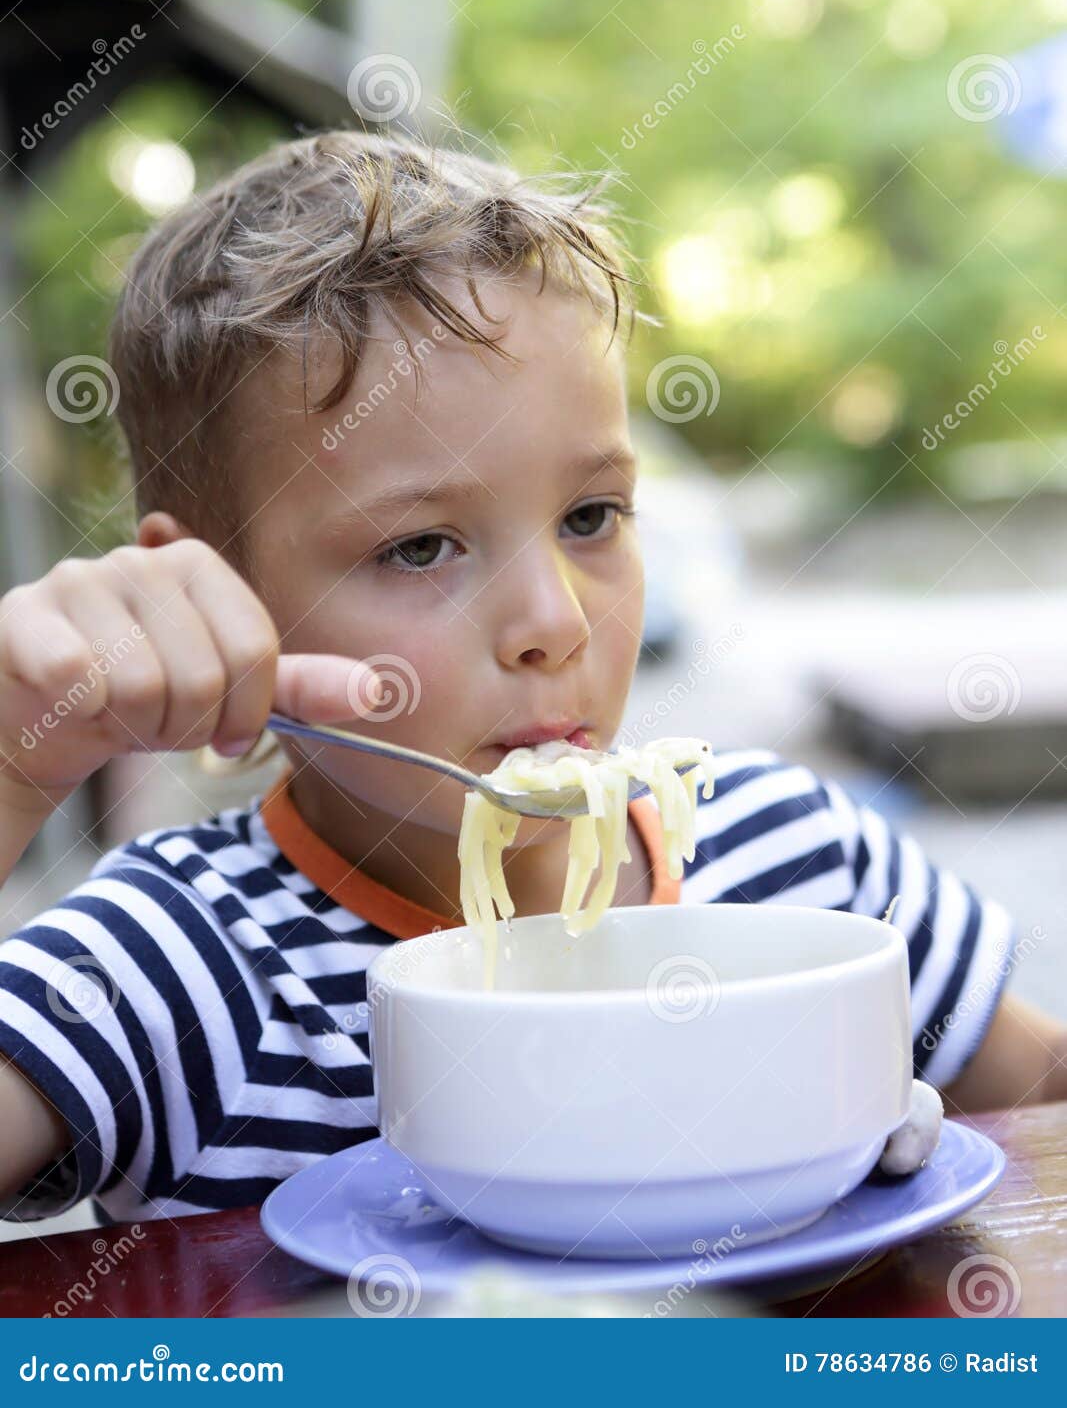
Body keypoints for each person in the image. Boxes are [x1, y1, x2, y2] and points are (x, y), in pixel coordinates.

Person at [0, 129, 1061, 1229]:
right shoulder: (180, 966)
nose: (554, 622)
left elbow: (1046, 1101)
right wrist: (12, 773)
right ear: (210, 597)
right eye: (420, 547)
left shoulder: (804, 871)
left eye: (590, 516)